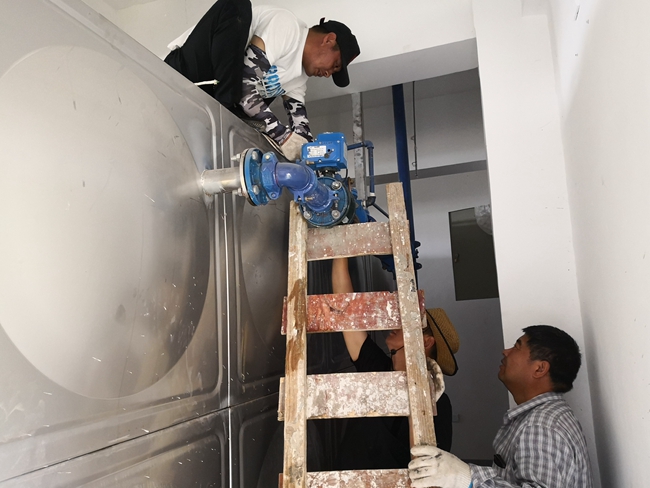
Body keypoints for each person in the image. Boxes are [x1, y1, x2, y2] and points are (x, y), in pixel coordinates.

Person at [164, 1, 360, 160]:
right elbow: (245, 88)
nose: (328, 74)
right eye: (334, 65)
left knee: (256, 127)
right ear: (328, 40)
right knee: (237, 4)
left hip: (215, 100)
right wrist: (283, 136)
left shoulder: (298, 79)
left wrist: (311, 157)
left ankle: (228, 113)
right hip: (191, 70)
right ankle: (228, 109)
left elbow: (302, 133)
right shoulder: (288, 27)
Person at [408, 325, 594, 488]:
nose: (506, 351)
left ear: (539, 369)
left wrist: (466, 478)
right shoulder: (548, 416)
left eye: (517, 347)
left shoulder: (540, 426)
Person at [331, 257, 459, 470]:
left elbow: (430, 472)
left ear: (426, 342)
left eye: (409, 322)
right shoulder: (379, 367)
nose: (397, 323)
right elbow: (345, 312)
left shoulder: (439, 402)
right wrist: (341, 253)